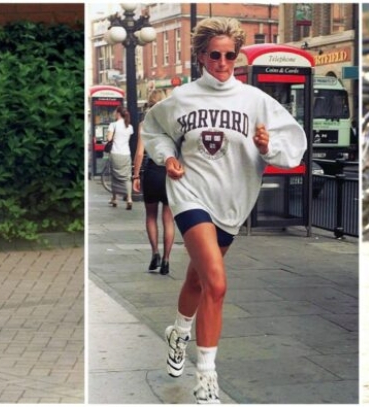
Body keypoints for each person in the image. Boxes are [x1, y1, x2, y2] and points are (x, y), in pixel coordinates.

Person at [141, 17, 307, 404]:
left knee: (198, 281)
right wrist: (167, 158)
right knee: (216, 283)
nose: (222, 62)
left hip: (232, 203)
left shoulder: (255, 101)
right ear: (201, 55)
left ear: (237, 56)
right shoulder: (181, 99)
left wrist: (267, 147)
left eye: (230, 55)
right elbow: (153, 129)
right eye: (214, 54)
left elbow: (293, 145)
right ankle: (207, 379)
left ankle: (178, 333)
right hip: (189, 194)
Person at [132, 89, 175, 274]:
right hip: (169, 173)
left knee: (151, 216)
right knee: (168, 219)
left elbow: (140, 153)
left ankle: (155, 254)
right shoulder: (172, 124)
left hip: (151, 173)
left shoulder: (145, 124)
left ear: (149, 103)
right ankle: (166, 260)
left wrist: (135, 176)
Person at [106, 105, 134, 210]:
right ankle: (129, 199)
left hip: (116, 153)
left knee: (115, 177)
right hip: (126, 154)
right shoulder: (129, 127)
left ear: (118, 113)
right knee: (127, 177)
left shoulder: (113, 125)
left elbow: (109, 139)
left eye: (115, 112)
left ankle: (114, 199)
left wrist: (110, 136)